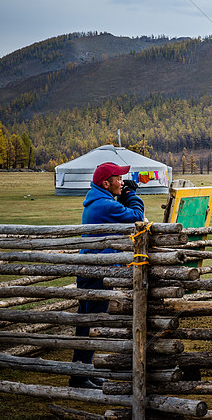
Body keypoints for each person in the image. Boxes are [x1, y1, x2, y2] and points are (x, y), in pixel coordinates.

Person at [69, 162, 144, 389]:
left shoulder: (101, 201)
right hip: (97, 272)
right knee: (91, 323)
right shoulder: (104, 205)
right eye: (118, 179)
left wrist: (122, 193)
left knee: (88, 323)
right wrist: (131, 194)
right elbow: (137, 215)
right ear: (105, 183)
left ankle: (84, 371)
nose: (122, 182)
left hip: (93, 269)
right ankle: (80, 376)